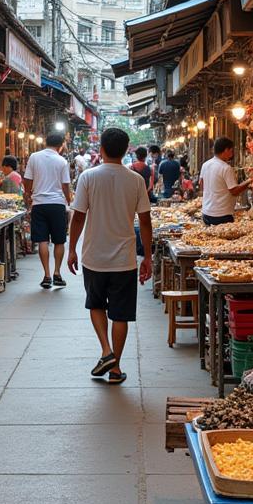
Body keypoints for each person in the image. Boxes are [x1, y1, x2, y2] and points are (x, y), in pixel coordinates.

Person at [67, 126, 152, 385]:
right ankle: (115, 369)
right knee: (121, 314)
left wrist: (71, 249)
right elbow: (145, 222)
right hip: (124, 259)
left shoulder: (88, 177)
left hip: (94, 256)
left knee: (95, 305)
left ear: (101, 150)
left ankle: (106, 351)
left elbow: (78, 216)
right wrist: (147, 257)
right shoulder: (136, 180)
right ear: (126, 150)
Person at [23, 131, 72, 289]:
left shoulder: (34, 157)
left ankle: (47, 275)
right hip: (57, 204)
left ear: (46, 142)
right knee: (59, 240)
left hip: (39, 204)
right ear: (61, 145)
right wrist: (69, 200)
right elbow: (65, 185)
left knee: (42, 240)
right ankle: (57, 273)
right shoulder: (62, 161)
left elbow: (27, 180)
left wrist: (28, 195)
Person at [199, 136, 253, 225]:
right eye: (231, 151)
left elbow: (201, 185)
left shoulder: (205, 165)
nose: (232, 154)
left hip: (206, 212)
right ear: (226, 150)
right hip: (221, 215)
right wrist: (250, 180)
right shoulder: (225, 168)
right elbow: (234, 191)